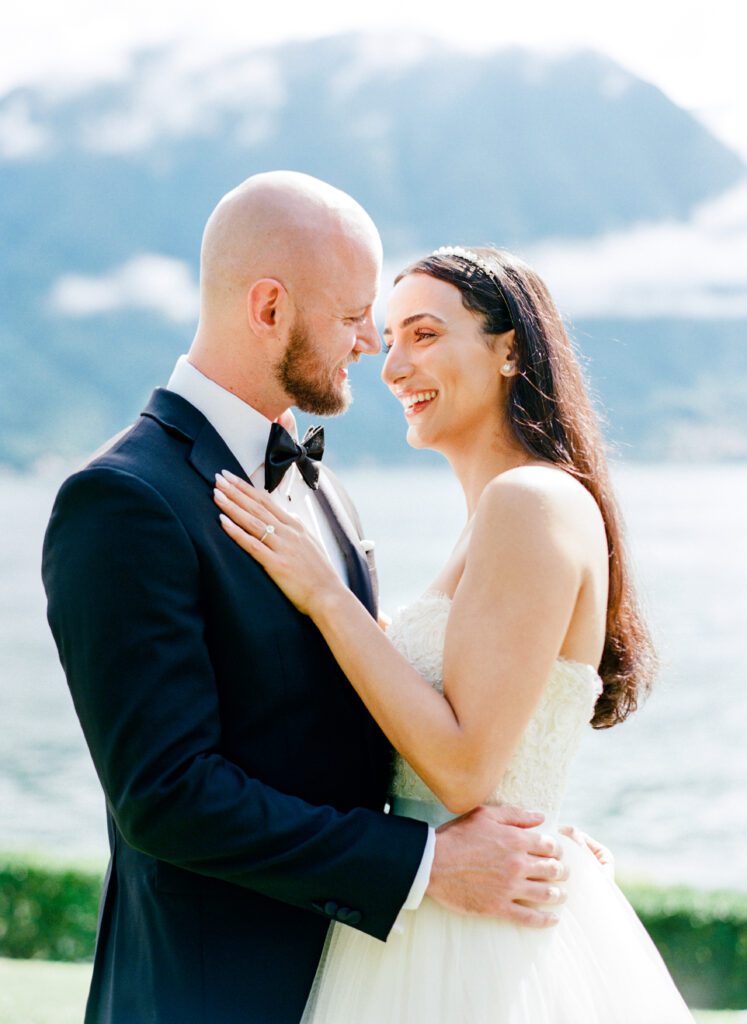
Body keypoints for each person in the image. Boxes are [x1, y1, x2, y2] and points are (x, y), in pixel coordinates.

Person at [41, 176, 573, 1024]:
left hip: (360, 983)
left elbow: (357, 718)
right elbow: (167, 796)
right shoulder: (124, 501)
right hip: (209, 997)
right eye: (354, 314)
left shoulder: (327, 491)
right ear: (267, 308)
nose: (372, 344)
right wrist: (428, 863)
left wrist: (519, 827)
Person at [214, 244, 696, 1022]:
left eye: (425, 335)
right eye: (389, 337)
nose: (393, 365)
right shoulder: (500, 514)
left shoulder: (527, 503)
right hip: (428, 909)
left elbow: (466, 773)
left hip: (472, 944)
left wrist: (325, 597)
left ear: (509, 349)